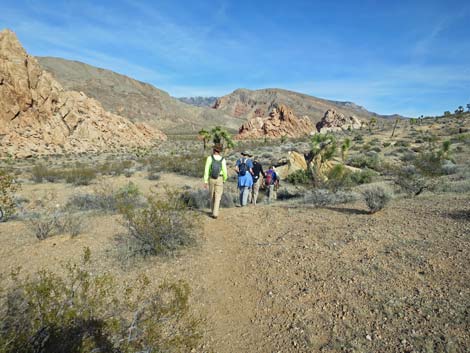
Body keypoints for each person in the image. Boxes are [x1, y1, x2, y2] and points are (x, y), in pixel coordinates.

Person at [204, 143, 227, 219]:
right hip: (219, 178)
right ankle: (215, 213)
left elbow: (206, 170)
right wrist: (224, 179)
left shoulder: (209, 158)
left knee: (211, 195)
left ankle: (212, 210)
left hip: (211, 178)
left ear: (214, 150)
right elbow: (224, 171)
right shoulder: (222, 159)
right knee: (218, 196)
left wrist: (205, 181)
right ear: (220, 151)